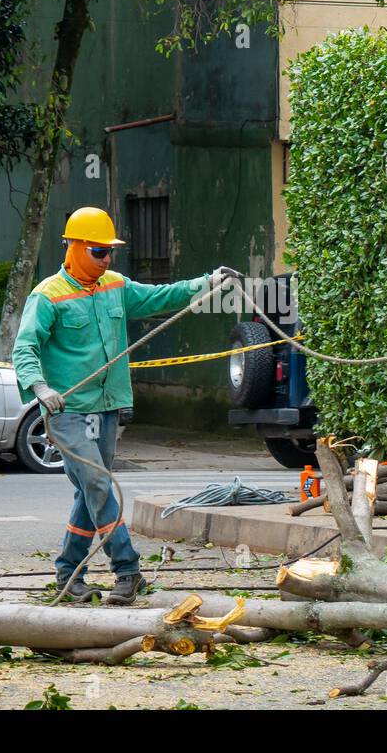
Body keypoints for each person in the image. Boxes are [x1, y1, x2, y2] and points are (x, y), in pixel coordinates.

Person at [12, 206, 240, 604]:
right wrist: (39, 387)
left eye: (109, 252)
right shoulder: (47, 295)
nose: (106, 259)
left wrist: (207, 282)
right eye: (99, 251)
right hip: (67, 411)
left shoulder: (115, 284)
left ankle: (68, 574)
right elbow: (24, 347)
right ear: (76, 248)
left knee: (90, 492)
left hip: (108, 407)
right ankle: (128, 569)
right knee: (99, 483)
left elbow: (159, 297)